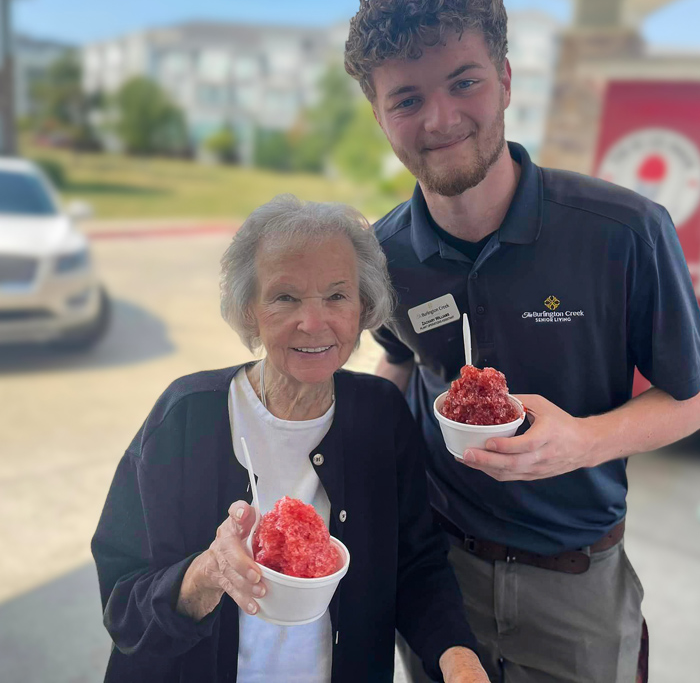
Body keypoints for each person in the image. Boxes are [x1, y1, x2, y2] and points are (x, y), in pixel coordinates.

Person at [343, 0, 700, 682]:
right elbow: (400, 364)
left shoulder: (625, 231)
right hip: (438, 580)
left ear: (505, 80)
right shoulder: (384, 255)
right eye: (407, 99)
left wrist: (583, 442)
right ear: (380, 116)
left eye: (464, 81)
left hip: (577, 585)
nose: (440, 118)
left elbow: (690, 396)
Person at [91, 194, 490, 683]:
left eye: (337, 296)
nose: (313, 322)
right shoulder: (186, 416)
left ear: (363, 307)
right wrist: (208, 573)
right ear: (248, 310)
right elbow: (123, 604)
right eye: (285, 297)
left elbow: (417, 565)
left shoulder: (380, 415)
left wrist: (459, 658)